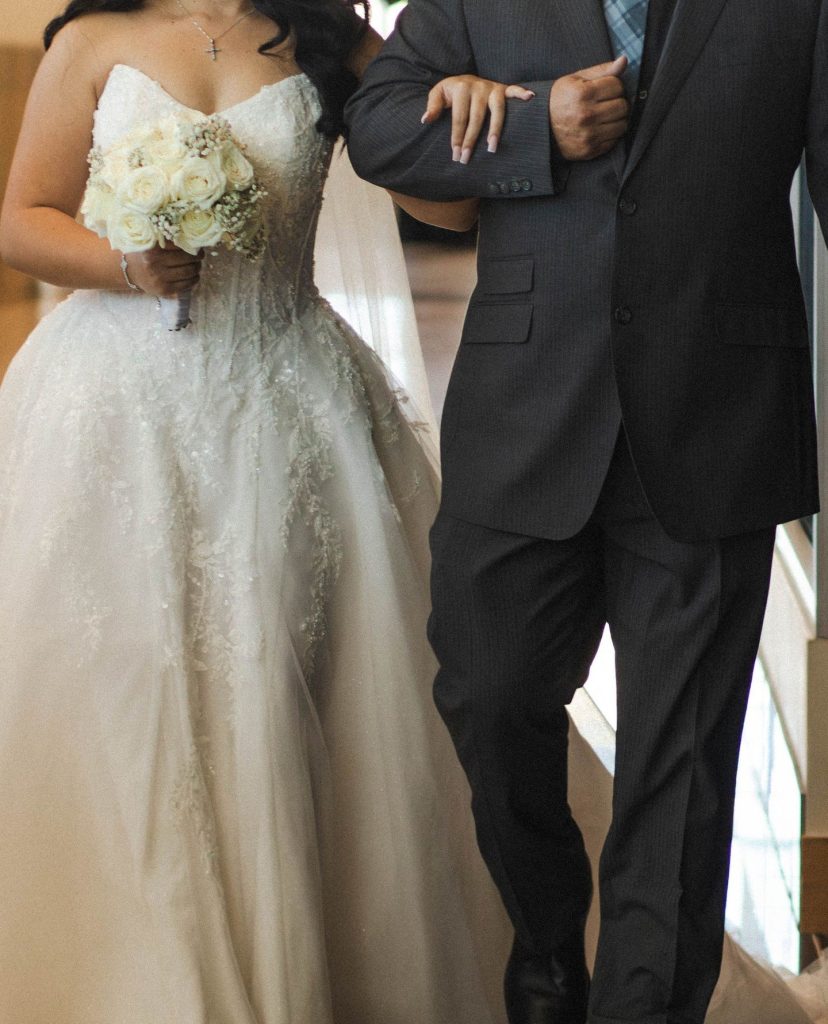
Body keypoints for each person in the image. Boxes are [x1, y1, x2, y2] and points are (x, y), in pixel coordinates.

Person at [0, 2, 525, 1021]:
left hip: (289, 406)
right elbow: (23, 215)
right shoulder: (92, 39)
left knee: (295, 691)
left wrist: (459, 100)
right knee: (118, 699)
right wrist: (126, 264)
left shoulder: (329, 38)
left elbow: (451, 210)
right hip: (111, 417)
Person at [345, 3, 828, 1024]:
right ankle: (548, 945)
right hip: (524, 418)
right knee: (487, 693)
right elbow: (376, 118)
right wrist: (533, 130)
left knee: (683, 775)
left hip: (718, 419)